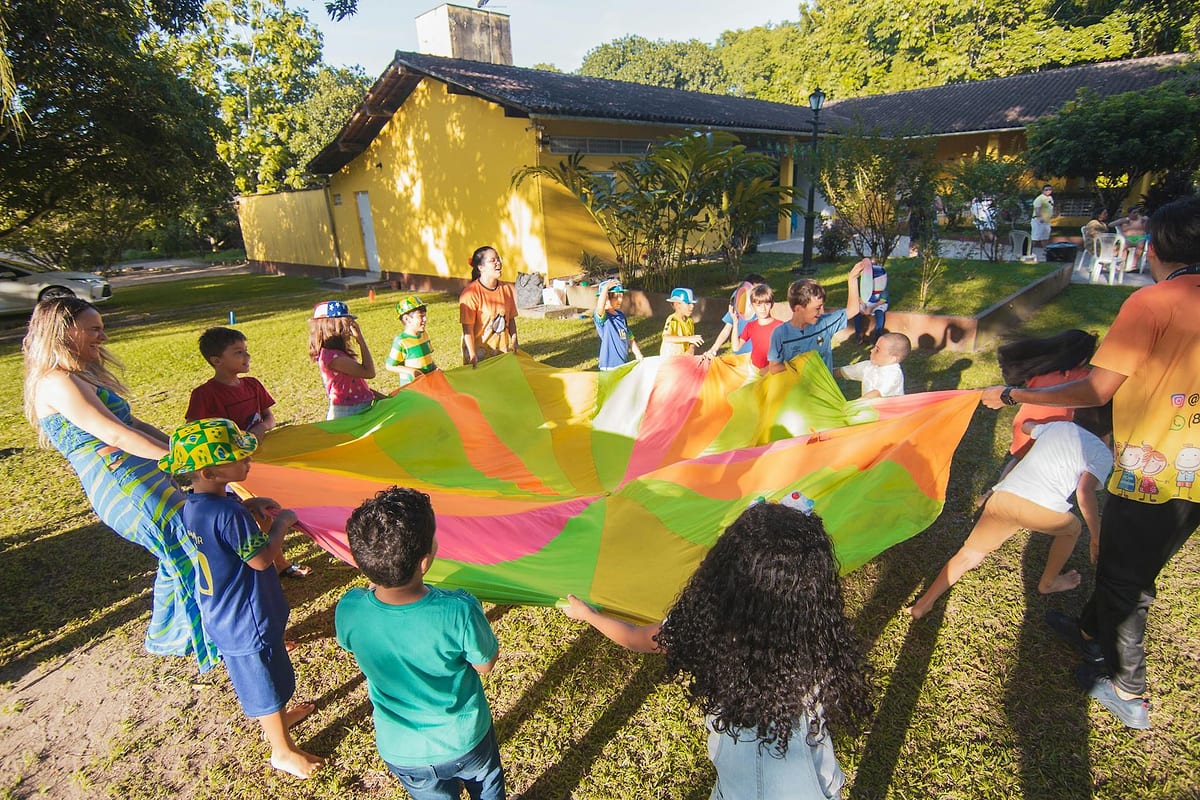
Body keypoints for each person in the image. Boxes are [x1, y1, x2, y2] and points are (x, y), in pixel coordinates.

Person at [981, 194, 1200, 729]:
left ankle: (1129, 689)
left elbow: (1098, 388)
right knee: (1135, 563)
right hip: (1193, 473)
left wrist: (1010, 397)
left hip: (1152, 470)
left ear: (1155, 247)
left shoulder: (1153, 303)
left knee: (1127, 580)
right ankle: (1088, 631)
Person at [561, 500, 871, 800]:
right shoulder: (819, 630)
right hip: (818, 786)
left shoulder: (707, 625)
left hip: (740, 789)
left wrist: (588, 615)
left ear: (725, 568)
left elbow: (636, 638)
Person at [21, 297, 218, 670]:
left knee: (178, 549)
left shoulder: (78, 374)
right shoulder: (57, 382)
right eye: (94, 329)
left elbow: (133, 425)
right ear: (65, 330)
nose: (103, 336)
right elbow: (115, 434)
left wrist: (188, 452)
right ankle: (210, 637)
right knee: (192, 550)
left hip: (141, 476)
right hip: (125, 485)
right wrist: (181, 462)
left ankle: (168, 636)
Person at [161, 418, 324, 779]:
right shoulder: (227, 511)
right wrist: (282, 524)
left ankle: (279, 719)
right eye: (238, 457)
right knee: (264, 683)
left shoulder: (197, 504)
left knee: (272, 674)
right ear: (209, 470)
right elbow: (262, 559)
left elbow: (226, 540)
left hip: (228, 612)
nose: (247, 461)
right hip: (245, 619)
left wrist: (253, 510)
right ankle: (282, 750)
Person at [336, 487, 506, 800]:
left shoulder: (349, 608)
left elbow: (351, 643)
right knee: (487, 788)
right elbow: (485, 664)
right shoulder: (458, 609)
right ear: (424, 562)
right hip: (466, 739)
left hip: (401, 749)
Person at [907, 405, 1112, 620]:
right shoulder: (1102, 453)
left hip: (1004, 498)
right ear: (1110, 431)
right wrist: (1096, 536)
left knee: (969, 554)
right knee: (1073, 529)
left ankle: (924, 603)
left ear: (1075, 412)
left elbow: (1026, 427)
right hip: (1043, 510)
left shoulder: (1058, 426)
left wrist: (1034, 425)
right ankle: (1049, 582)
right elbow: (1084, 491)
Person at [186, 326, 310, 579]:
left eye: (246, 351)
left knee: (264, 511)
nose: (247, 357)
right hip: (230, 470)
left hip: (258, 464)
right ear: (216, 360)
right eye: (238, 352)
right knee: (245, 518)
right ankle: (260, 564)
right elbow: (194, 431)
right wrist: (236, 442)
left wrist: (260, 429)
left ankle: (279, 563)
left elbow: (268, 416)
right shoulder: (204, 395)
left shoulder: (252, 385)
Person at [767, 260, 867, 374]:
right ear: (798, 309)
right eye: (817, 308)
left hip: (823, 390)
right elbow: (774, 368)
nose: (822, 312)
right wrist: (800, 364)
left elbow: (853, 310)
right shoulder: (780, 334)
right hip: (798, 390)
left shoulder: (825, 323)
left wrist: (852, 279)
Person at [309, 300, 376, 420]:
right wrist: (360, 340)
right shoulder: (334, 358)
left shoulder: (335, 354)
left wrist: (381, 397)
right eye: (347, 324)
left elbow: (356, 386)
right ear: (332, 326)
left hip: (356, 408)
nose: (350, 330)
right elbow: (369, 372)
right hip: (348, 413)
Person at [459, 246, 518, 367]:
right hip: (479, 357)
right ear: (481, 268)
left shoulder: (506, 289)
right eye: (492, 260)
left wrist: (515, 341)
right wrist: (472, 355)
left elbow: (511, 319)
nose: (498, 263)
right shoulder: (470, 294)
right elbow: (467, 330)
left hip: (501, 353)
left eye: (498, 259)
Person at [701, 273, 766, 361]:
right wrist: (714, 349)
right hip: (739, 356)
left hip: (757, 357)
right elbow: (727, 328)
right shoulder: (738, 303)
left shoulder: (762, 308)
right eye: (756, 291)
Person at [835, 332, 910, 399]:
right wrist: (825, 373)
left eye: (877, 350)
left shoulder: (893, 374)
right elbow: (843, 371)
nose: (871, 350)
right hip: (869, 409)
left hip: (890, 413)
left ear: (892, 359)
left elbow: (876, 393)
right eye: (874, 347)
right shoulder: (868, 366)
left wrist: (853, 406)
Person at [385, 295, 439, 388]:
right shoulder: (401, 341)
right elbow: (390, 366)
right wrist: (412, 371)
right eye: (421, 316)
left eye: (425, 316)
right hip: (412, 387)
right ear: (407, 319)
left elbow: (428, 359)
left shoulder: (424, 334)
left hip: (428, 383)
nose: (425, 319)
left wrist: (435, 368)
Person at [593, 279, 643, 370]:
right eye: (616, 297)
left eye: (621, 296)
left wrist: (638, 354)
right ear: (606, 298)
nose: (620, 300)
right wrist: (606, 288)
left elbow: (629, 337)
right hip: (609, 367)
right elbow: (600, 307)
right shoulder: (604, 318)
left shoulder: (621, 316)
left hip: (622, 364)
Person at [739, 283, 784, 373]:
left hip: (774, 372)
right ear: (752, 306)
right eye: (758, 305)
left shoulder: (780, 326)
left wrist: (768, 369)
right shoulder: (750, 326)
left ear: (771, 304)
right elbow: (737, 346)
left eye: (766, 304)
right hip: (755, 370)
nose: (763, 309)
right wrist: (735, 322)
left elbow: (787, 353)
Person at [661, 287, 704, 356]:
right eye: (688, 303)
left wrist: (691, 349)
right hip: (670, 360)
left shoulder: (690, 321)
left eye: (693, 303)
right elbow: (666, 337)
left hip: (684, 358)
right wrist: (689, 338)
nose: (692, 306)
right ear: (677, 305)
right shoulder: (672, 320)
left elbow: (692, 340)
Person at [853, 260, 888, 345]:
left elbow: (882, 300)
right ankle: (859, 334)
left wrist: (871, 307)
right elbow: (859, 297)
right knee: (857, 313)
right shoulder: (863, 284)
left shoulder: (882, 286)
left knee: (879, 314)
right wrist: (864, 306)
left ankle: (878, 336)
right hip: (865, 303)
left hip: (878, 304)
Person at [1112, 207, 1148, 271]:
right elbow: (1110, 225)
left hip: (1140, 238)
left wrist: (1147, 220)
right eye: (1134, 212)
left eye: (1137, 212)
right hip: (1127, 239)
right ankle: (1121, 264)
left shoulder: (1141, 220)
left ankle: (1134, 266)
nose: (1136, 214)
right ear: (1129, 213)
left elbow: (1151, 226)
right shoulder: (1124, 220)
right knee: (1122, 246)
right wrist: (1121, 221)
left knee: (1141, 244)